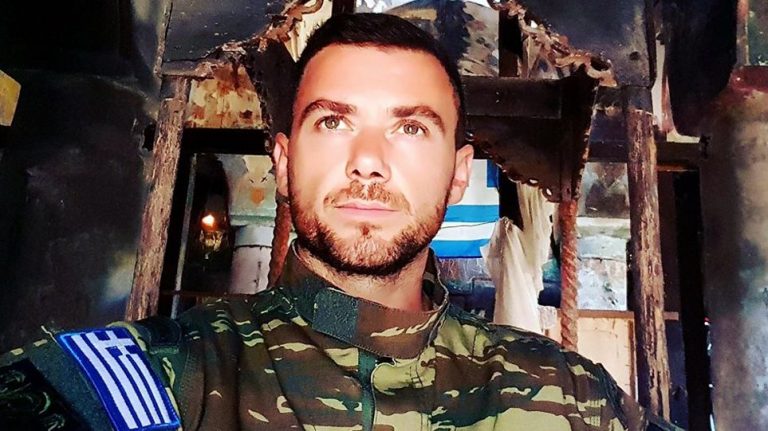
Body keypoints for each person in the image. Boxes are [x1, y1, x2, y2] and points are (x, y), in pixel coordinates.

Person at [0, 13, 679, 431]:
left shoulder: (570, 397)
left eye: (411, 128)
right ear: (284, 160)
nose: (369, 162)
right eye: (333, 122)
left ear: (457, 173)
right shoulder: (163, 380)